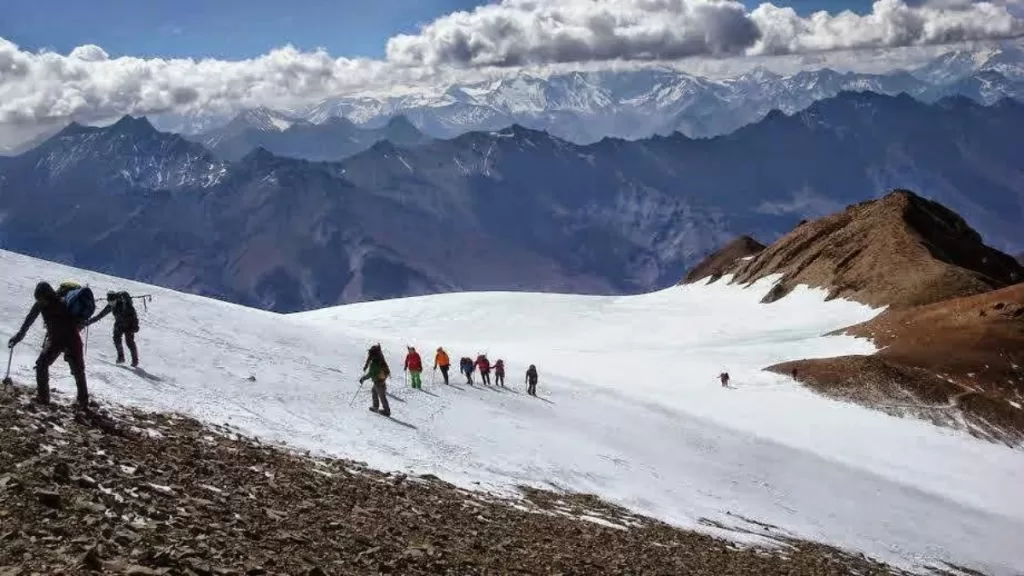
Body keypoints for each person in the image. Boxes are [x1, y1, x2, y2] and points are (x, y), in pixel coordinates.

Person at [7, 281, 91, 407]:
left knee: (76, 370)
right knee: (46, 365)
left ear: (47, 296)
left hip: (65, 339)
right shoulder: (51, 303)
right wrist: (18, 336)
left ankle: (81, 401)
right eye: (38, 299)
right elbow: (29, 320)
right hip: (66, 340)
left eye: (41, 299)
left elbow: (30, 319)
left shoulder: (61, 303)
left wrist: (19, 336)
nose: (40, 302)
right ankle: (45, 397)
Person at [87, 291, 140, 367]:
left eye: (112, 302)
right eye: (110, 302)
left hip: (129, 324)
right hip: (119, 323)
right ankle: (121, 357)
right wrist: (88, 322)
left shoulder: (125, 304)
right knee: (116, 339)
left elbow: (134, 316)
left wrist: (135, 326)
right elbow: (100, 315)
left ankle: (135, 361)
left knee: (129, 342)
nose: (111, 304)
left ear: (116, 299)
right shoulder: (110, 305)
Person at [359, 344, 391, 416]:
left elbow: (370, 374)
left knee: (382, 396)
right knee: (374, 391)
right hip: (381, 380)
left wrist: (363, 378)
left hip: (378, 382)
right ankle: (375, 406)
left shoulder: (374, 363)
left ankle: (386, 411)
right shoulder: (380, 360)